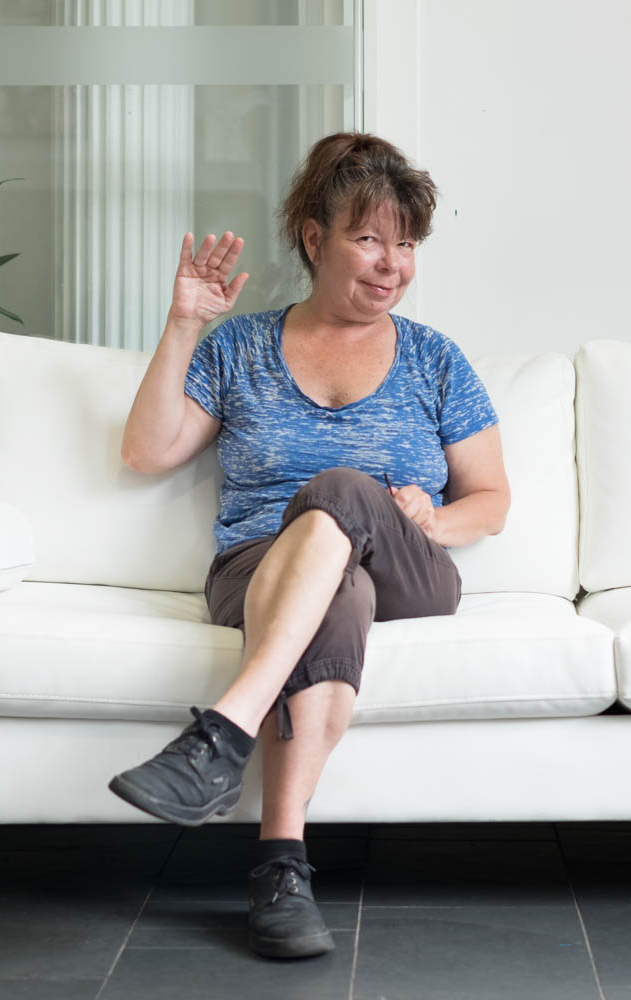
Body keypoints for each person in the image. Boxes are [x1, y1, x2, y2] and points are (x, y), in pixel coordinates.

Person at [108, 132, 510, 960]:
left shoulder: (435, 359)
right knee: (339, 589)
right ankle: (280, 872)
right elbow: (146, 452)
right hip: (259, 570)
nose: (391, 264)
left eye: (405, 245)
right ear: (314, 237)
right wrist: (184, 324)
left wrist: (429, 521)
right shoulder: (240, 347)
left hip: (407, 567)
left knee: (342, 491)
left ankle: (223, 732)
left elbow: (493, 501)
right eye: (369, 239)